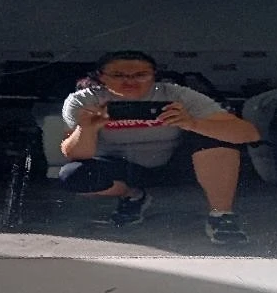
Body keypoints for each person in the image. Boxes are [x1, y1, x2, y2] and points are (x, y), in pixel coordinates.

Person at [58, 50, 260, 244]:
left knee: (215, 137)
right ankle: (133, 196)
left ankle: (222, 215)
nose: (130, 82)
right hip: (123, 167)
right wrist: (86, 128)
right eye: (118, 75)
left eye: (141, 75)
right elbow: (74, 154)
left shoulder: (176, 95)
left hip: (177, 165)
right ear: (101, 76)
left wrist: (192, 123)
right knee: (74, 175)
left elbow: (249, 133)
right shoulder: (85, 100)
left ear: (154, 75)